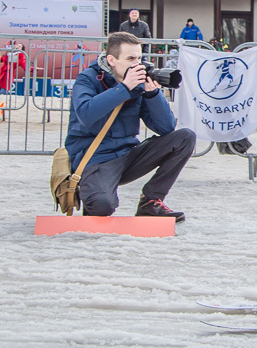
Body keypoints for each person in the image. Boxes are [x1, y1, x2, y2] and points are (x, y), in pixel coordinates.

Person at [65, 32, 196, 221]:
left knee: (185, 137)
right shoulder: (88, 79)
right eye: (131, 58)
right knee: (102, 206)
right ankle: (93, 190)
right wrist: (124, 88)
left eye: (140, 58)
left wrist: (153, 96)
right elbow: (86, 114)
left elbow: (166, 128)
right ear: (111, 59)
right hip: (96, 158)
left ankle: (150, 202)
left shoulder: (138, 81)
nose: (137, 64)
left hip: (128, 155)